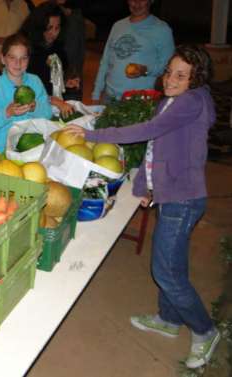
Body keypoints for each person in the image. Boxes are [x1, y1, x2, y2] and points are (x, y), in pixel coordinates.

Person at [64, 45, 220, 369]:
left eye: (181, 75)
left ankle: (205, 331)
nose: (171, 80)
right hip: (172, 194)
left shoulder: (190, 102)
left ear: (195, 80)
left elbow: (145, 132)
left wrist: (93, 135)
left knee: (165, 271)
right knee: (171, 264)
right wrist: (145, 186)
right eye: (169, 72)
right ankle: (168, 318)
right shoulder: (171, 103)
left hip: (183, 198)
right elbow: (156, 148)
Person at [0, 33, 52, 153]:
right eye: (12, 57)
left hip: (28, 147)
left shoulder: (35, 81)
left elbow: (48, 114)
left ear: (28, 59)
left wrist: (35, 107)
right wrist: (7, 112)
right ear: (3, 59)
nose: (18, 63)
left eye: (23, 58)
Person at [92, 0, 174, 102]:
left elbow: (168, 67)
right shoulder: (118, 26)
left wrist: (145, 70)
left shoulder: (162, 30)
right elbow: (105, 61)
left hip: (139, 101)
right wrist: (96, 93)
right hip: (109, 97)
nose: (137, 3)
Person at [20, 2, 79, 117]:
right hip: (31, 109)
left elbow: (59, 77)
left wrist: (66, 82)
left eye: (57, 28)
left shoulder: (57, 47)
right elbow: (25, 89)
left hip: (52, 105)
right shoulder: (25, 49)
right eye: (49, 28)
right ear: (39, 27)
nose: (53, 33)